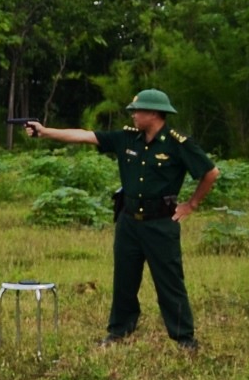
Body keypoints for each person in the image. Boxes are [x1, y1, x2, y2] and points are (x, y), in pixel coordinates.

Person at [23, 89, 218, 348]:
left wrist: (191, 205)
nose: (133, 115)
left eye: (138, 111)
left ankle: (184, 338)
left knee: (169, 282)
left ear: (154, 113)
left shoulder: (177, 143)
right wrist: (45, 132)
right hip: (128, 222)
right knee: (124, 280)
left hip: (160, 223)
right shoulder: (127, 139)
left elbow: (210, 172)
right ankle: (118, 332)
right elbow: (85, 135)